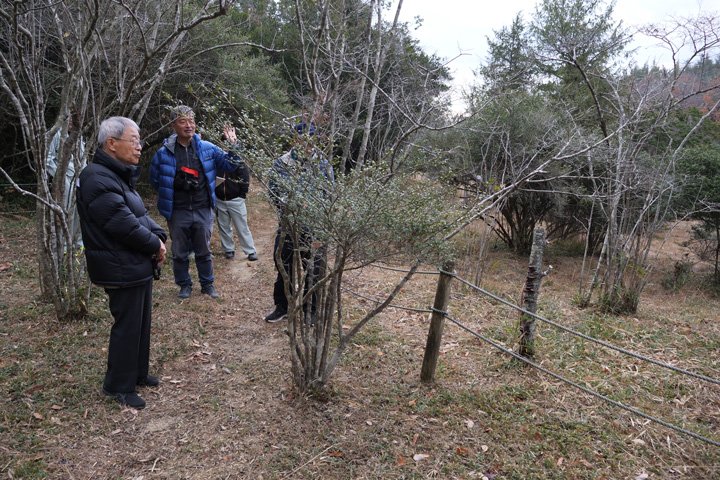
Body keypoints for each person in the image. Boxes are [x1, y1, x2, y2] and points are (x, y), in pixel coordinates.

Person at [76, 116, 167, 410]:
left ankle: (137, 373)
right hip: (118, 263)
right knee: (127, 325)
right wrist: (154, 244)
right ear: (111, 144)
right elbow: (121, 223)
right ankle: (118, 385)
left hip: (133, 262)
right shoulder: (96, 177)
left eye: (139, 141)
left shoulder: (118, 174)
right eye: (134, 140)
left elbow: (139, 214)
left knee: (140, 322)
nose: (140, 147)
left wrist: (158, 234)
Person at [149, 106, 240, 299]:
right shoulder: (163, 153)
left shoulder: (207, 148)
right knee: (179, 252)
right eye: (182, 121)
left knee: (204, 250)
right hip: (178, 210)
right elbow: (155, 180)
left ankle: (207, 284)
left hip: (202, 208)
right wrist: (174, 186)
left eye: (191, 121)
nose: (188, 125)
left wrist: (233, 145)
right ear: (173, 126)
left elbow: (230, 165)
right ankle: (184, 285)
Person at [264, 122, 334, 324]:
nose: (308, 142)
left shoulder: (323, 163)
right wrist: (289, 208)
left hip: (315, 228)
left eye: (312, 137)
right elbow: (274, 192)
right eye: (303, 138)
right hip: (288, 226)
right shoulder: (282, 163)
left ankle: (310, 310)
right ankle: (282, 307)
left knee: (314, 269)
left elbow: (329, 194)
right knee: (283, 267)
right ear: (294, 140)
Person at [215, 129, 258, 262]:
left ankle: (250, 251)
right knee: (223, 226)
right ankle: (228, 250)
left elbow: (245, 178)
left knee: (242, 227)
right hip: (220, 199)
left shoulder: (239, 158)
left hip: (235, 199)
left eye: (227, 142)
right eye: (223, 143)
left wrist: (241, 195)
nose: (225, 146)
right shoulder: (217, 158)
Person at [47, 117, 85, 249]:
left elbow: (82, 158)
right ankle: (63, 245)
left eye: (72, 117)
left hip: (79, 178)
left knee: (80, 209)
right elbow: (48, 159)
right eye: (67, 118)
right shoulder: (55, 135)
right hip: (63, 180)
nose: (71, 121)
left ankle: (78, 243)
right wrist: (59, 176)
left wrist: (84, 176)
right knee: (65, 210)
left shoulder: (78, 137)